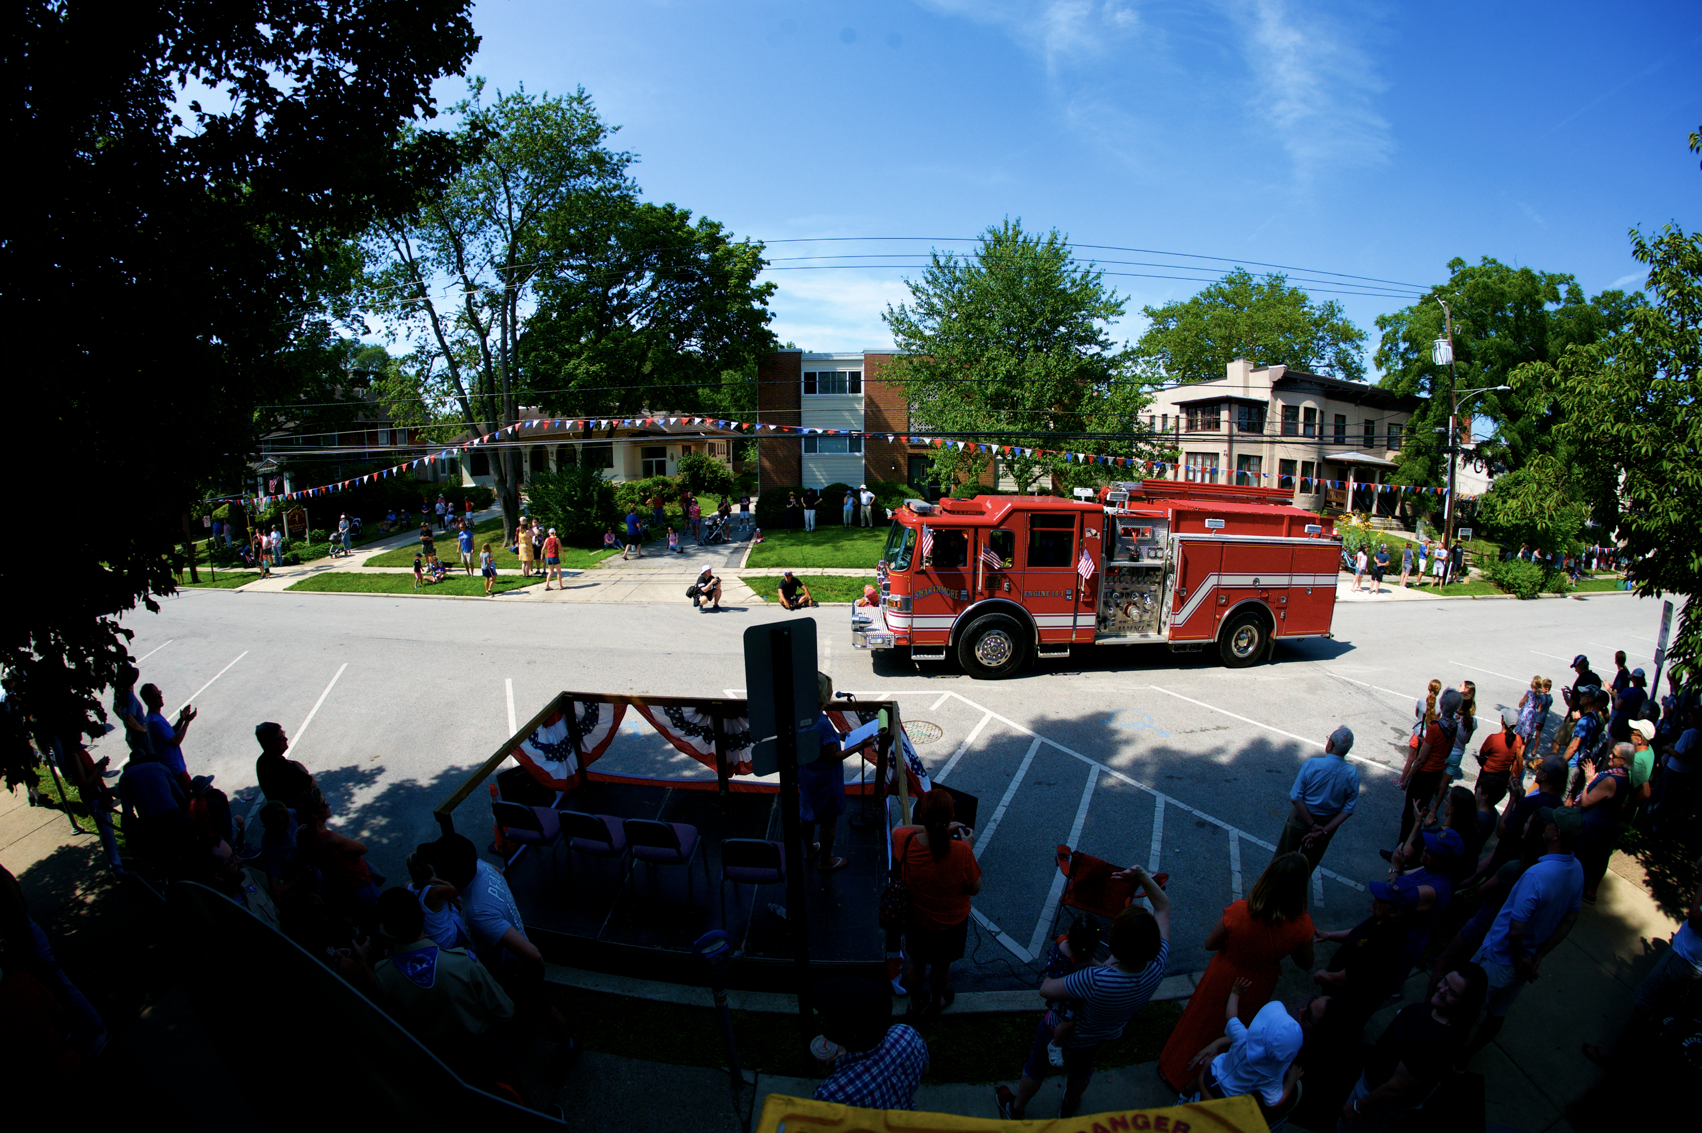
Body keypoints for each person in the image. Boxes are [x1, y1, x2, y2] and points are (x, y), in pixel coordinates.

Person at [997, 881, 1170, 1120]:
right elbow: (1162, 908)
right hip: (1099, 1035)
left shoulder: (1093, 979)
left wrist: (1064, 962)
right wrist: (1141, 875)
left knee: (1036, 1067)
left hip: (1062, 1028)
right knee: (1082, 1071)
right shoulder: (1157, 966)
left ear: (1116, 942)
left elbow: (1047, 990)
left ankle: (1016, 1108)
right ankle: (1069, 1106)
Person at [1158, 853, 1314, 1091]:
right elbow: (1306, 963)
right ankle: (1213, 1078)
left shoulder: (1240, 911)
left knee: (1199, 1022)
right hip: (1259, 984)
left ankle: (1174, 1069)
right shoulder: (1301, 925)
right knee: (1236, 1030)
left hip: (1224, 974)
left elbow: (1210, 943)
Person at [1459, 806, 1584, 1063]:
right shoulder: (1578, 869)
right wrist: (1536, 956)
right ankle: (1464, 1059)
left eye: (1549, 823)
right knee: (1497, 1014)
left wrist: (1520, 961)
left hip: (1499, 959)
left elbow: (1516, 931)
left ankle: (1443, 1056)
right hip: (1524, 963)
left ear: (1556, 833)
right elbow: (1569, 919)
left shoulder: (1537, 875)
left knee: (1463, 1009)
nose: (1544, 825)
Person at [431, 833, 571, 1045]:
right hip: (511, 960)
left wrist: (535, 979)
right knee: (525, 1006)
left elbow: (533, 955)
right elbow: (499, 874)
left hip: (511, 972)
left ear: (455, 874)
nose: (436, 875)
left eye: (440, 872)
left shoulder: (479, 914)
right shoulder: (480, 867)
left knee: (543, 1010)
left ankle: (568, 1046)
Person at [371, 887, 516, 1075]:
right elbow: (506, 1011)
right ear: (423, 914)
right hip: (483, 1053)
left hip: (434, 1060)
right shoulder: (461, 961)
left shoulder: (383, 976)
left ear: (387, 928)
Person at [1337, 964, 1488, 1131]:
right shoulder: (1433, 1012)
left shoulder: (1435, 1045)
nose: (1442, 990)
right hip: (1372, 1083)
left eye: (1452, 993)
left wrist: (1357, 1107)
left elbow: (1395, 1089)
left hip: (1374, 1100)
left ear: (1465, 1005)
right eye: (1444, 982)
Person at [1582, 863, 1702, 1068]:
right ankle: (1637, 1048)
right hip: (1693, 962)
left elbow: (1696, 917)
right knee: (1664, 1007)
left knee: (1646, 1003)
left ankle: (1614, 1056)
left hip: (1685, 958)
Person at [894, 789, 982, 1016]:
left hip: (916, 918)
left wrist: (931, 828)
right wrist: (968, 847)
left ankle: (914, 1004)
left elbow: (897, 829)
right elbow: (975, 887)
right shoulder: (962, 850)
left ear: (921, 816)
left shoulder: (905, 841)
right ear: (950, 818)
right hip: (951, 922)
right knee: (942, 964)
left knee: (917, 960)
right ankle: (937, 1001)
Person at [1183, 982, 1304, 1116]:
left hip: (1212, 1074)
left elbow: (1231, 1017)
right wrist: (1291, 1080)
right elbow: (1274, 1102)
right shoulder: (1272, 1074)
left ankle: (1185, 1094)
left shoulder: (1243, 1037)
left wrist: (1235, 994)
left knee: (1208, 1062)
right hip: (1228, 1100)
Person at [811, 977, 930, 1110]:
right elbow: (924, 1071)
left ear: (852, 1035)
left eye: (825, 1018)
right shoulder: (906, 1034)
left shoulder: (830, 1096)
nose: (820, 1018)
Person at [1313, 879, 1417, 1030]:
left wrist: (1322, 975)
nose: (1375, 900)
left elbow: (1342, 980)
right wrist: (1329, 935)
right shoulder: (1383, 920)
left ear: (1396, 912)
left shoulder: (1381, 945)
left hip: (1345, 1002)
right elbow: (1358, 932)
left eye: (1381, 900)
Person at [1274, 726, 1359, 869]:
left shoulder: (1313, 764)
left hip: (1302, 816)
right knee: (1308, 863)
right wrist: (1324, 830)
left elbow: (1296, 798)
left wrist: (1312, 824)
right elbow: (1348, 809)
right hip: (1328, 821)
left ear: (1330, 744)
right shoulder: (1352, 773)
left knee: (1284, 856)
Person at [296, 787, 381, 922]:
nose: (328, 805)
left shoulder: (302, 833)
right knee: (373, 917)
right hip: (357, 882)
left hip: (336, 882)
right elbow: (362, 848)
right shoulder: (330, 839)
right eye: (324, 804)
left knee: (355, 916)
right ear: (314, 814)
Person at [1396, 687, 1460, 847]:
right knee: (1421, 810)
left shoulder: (1435, 728)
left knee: (1409, 814)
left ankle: (1402, 846)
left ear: (1443, 705)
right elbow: (1448, 752)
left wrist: (1406, 779)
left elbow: (1421, 759)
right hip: (1437, 772)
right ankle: (1412, 844)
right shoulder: (1453, 726)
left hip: (1424, 774)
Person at [1574, 741, 1630, 902]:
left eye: (1615, 755)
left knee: (1578, 862)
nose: (1610, 756)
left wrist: (1588, 781)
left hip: (1591, 829)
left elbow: (1586, 801)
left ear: (1624, 761)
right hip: (1602, 827)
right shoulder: (1624, 778)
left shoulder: (1610, 781)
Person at [405, 845, 468, 949]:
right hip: (448, 939)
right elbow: (456, 890)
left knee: (449, 899)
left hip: (432, 939)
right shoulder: (436, 891)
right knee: (458, 899)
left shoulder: (408, 886)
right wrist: (435, 879)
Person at [139, 682, 196, 794]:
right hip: (174, 767)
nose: (160, 697)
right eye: (156, 696)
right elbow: (175, 741)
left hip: (175, 764)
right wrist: (187, 722)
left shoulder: (156, 717)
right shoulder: (155, 721)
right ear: (148, 701)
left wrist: (181, 720)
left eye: (159, 693)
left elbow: (169, 735)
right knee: (188, 795)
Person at [254, 721, 314, 809]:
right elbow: (312, 784)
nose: (286, 739)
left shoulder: (262, 761)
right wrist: (301, 769)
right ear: (270, 745)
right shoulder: (284, 769)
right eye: (281, 738)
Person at [1476, 708, 1524, 811]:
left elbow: (1482, 753)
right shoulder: (1518, 740)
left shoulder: (1493, 738)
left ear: (1502, 720)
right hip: (1502, 778)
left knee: (1478, 802)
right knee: (1490, 804)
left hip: (1487, 775)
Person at [112, 663, 152, 762]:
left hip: (130, 734)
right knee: (149, 758)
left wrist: (126, 722)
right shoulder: (129, 697)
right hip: (139, 736)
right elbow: (129, 717)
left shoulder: (119, 694)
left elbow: (115, 709)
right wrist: (142, 729)